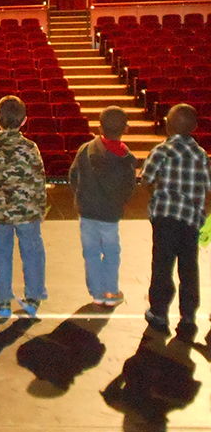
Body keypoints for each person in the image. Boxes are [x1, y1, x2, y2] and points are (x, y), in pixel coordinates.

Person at [140, 103, 211, 338]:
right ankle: (188, 315)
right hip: (191, 219)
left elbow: (146, 178)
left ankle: (159, 313)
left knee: (162, 265)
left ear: (168, 126)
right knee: (189, 267)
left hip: (166, 217)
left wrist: (156, 192)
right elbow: (207, 187)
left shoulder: (162, 150)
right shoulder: (201, 154)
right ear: (195, 128)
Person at [0, 96, 47, 318]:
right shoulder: (30, 147)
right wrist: (40, 207)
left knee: (2, 256)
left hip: (0, 214)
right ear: (24, 120)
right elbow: (38, 179)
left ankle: (3, 301)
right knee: (33, 253)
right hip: (27, 212)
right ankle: (33, 298)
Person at [69, 106, 137, 307]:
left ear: (99, 127)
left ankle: (96, 292)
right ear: (125, 128)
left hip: (87, 211)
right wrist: (121, 201)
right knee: (111, 252)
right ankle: (111, 290)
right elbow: (129, 187)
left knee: (90, 252)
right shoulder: (126, 158)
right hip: (110, 214)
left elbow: (73, 176)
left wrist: (81, 197)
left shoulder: (85, 149)